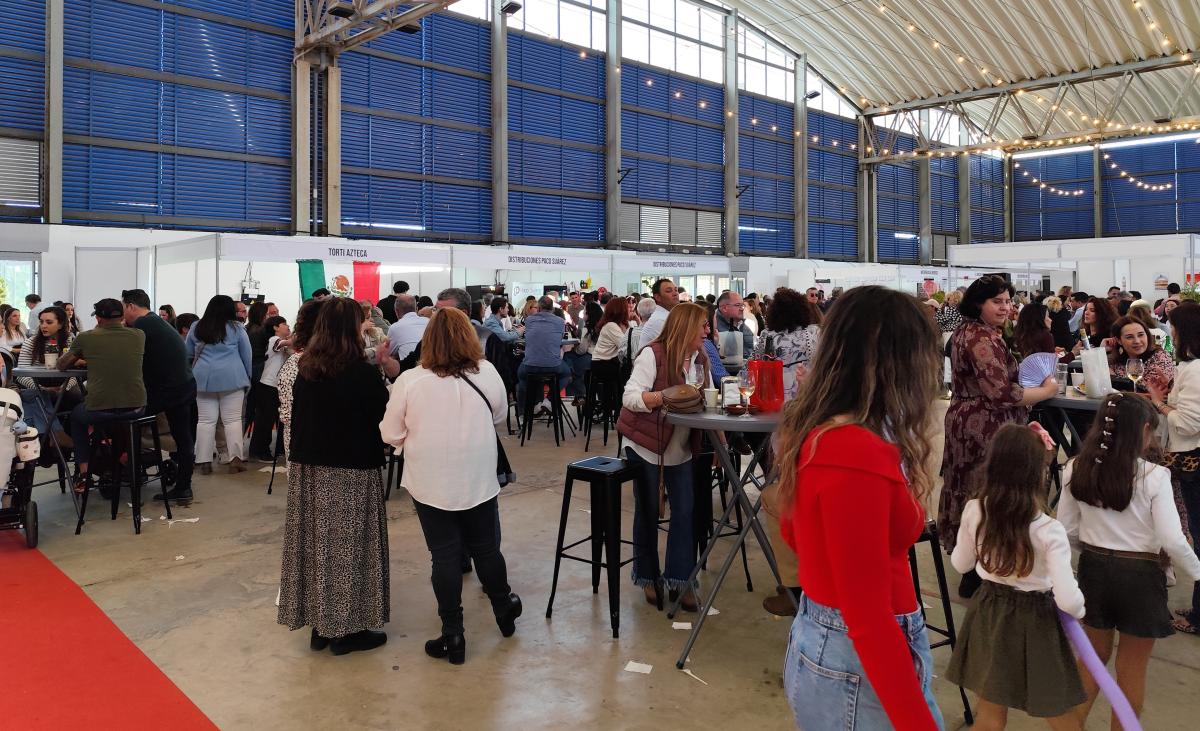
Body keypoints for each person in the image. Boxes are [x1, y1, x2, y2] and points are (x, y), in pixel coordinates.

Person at [773, 286, 944, 730]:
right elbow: (867, 613)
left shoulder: (818, 434)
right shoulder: (856, 453)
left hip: (827, 641)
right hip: (857, 658)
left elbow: (795, 535)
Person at [378, 308, 520, 665]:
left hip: (430, 480)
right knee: (487, 549)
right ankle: (503, 608)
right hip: (478, 475)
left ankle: (453, 633)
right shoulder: (486, 372)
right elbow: (500, 417)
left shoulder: (411, 380)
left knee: (443, 556)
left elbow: (390, 433)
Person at [1059, 394, 1200, 726]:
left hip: (1093, 570)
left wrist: (1092, 549)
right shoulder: (1153, 476)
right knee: (1130, 672)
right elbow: (1172, 540)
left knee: (1091, 665)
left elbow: (1064, 530)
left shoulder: (1074, 468)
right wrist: (1197, 571)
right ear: (1145, 430)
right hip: (1141, 577)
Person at [946, 423, 1087, 728]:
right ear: (1038, 473)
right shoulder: (1050, 530)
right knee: (1057, 706)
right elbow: (1068, 600)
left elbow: (960, 564)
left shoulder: (975, 510)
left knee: (991, 711)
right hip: (1036, 620)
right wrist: (1080, 608)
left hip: (990, 614)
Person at [278, 298, 390, 656]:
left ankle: (320, 624)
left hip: (308, 467)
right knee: (347, 549)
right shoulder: (361, 372)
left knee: (314, 545)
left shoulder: (307, 367)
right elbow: (381, 418)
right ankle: (344, 629)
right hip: (350, 467)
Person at [942, 275, 1058, 594]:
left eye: (1008, 301)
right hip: (984, 426)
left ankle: (974, 564)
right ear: (979, 303)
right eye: (997, 301)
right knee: (986, 491)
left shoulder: (974, 331)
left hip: (968, 421)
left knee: (972, 489)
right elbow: (1002, 394)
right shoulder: (980, 338)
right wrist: (1046, 391)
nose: (1005, 307)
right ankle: (979, 570)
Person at [617, 303, 709, 613]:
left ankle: (680, 580)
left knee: (685, 512)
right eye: (702, 326)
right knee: (649, 512)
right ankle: (647, 577)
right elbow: (629, 397)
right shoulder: (652, 354)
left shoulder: (700, 359)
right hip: (645, 445)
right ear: (686, 328)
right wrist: (665, 395)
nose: (707, 331)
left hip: (679, 447)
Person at [1146, 301, 1200, 635]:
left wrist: (1161, 404)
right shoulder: (1189, 368)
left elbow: (1188, 423)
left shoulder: (1194, 371)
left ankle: (1198, 617)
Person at [56, 299, 146, 496]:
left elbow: (62, 365)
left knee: (76, 417)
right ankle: (124, 459)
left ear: (97, 317)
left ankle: (84, 472)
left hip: (100, 410)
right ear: (123, 316)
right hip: (137, 408)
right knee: (120, 419)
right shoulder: (139, 335)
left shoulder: (87, 337)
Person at [120, 289, 197, 503]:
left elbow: (127, 358)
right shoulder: (156, 322)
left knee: (123, 419)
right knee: (183, 438)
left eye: (123, 308)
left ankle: (129, 467)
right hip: (184, 385)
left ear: (130, 306)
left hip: (169, 390)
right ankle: (183, 486)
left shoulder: (143, 325)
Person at [186, 295, 252, 474]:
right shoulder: (236, 328)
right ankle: (235, 460)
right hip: (233, 378)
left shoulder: (196, 326)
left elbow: (188, 353)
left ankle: (203, 462)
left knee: (206, 421)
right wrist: (248, 377)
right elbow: (246, 354)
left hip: (203, 380)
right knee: (232, 420)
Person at [15, 306, 79, 447]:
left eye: (49, 322)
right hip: (37, 386)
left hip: (65, 388)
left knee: (30, 399)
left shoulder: (71, 342)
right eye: (41, 321)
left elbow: (76, 372)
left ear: (61, 324)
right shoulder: (30, 343)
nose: (43, 326)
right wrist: (42, 388)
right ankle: (55, 435)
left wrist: (65, 387)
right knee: (33, 394)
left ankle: (40, 443)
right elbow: (21, 374)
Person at [762, 287, 820, 401]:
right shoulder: (814, 333)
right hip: (807, 398)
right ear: (804, 310)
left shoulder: (767, 336)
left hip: (773, 399)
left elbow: (748, 369)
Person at [515, 296, 572, 408]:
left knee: (521, 376)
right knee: (567, 374)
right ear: (552, 308)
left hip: (530, 365)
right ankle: (549, 400)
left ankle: (526, 410)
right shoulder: (560, 321)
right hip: (552, 365)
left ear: (539, 308)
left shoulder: (529, 320)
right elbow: (559, 339)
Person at [250, 316, 291, 462]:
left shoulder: (283, 343)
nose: (287, 326)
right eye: (284, 324)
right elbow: (284, 343)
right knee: (265, 421)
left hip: (275, 386)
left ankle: (262, 450)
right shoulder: (274, 340)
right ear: (275, 327)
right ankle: (262, 452)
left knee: (269, 420)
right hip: (268, 385)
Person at [1109, 315, 1174, 390]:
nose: (1137, 341)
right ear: (1119, 340)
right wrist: (1102, 349)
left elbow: (1148, 389)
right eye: (1129, 337)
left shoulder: (1160, 357)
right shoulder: (1115, 362)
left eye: (1141, 335)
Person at [565, 301, 602, 404]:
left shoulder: (587, 329)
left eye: (585, 312)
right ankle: (580, 394)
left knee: (570, 361)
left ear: (589, 315)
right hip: (603, 358)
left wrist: (574, 349)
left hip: (591, 357)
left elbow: (582, 350)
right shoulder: (603, 326)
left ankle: (579, 394)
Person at [714, 291, 755, 375]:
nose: (742, 308)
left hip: (744, 376)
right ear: (724, 308)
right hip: (726, 379)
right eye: (737, 305)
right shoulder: (714, 327)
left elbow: (750, 354)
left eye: (742, 305)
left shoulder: (744, 326)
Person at [637, 279, 679, 351]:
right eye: (669, 291)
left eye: (676, 290)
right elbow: (677, 349)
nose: (675, 293)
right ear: (658, 297)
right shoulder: (659, 320)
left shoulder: (667, 316)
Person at [385, 293, 427, 360]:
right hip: (434, 365)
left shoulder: (395, 327)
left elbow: (388, 353)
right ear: (417, 309)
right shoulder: (429, 322)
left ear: (396, 311)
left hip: (410, 367)